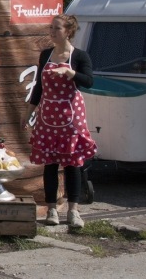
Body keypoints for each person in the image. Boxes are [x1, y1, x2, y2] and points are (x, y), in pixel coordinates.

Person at [25, 14, 97, 229]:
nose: (52, 31)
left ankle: (73, 211)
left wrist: (70, 72)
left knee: (72, 163)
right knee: (50, 164)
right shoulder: (46, 54)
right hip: (47, 117)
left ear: (68, 31)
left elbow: (89, 81)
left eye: (57, 28)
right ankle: (52, 209)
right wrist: (28, 111)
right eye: (51, 27)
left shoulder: (80, 56)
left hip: (70, 116)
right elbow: (39, 86)